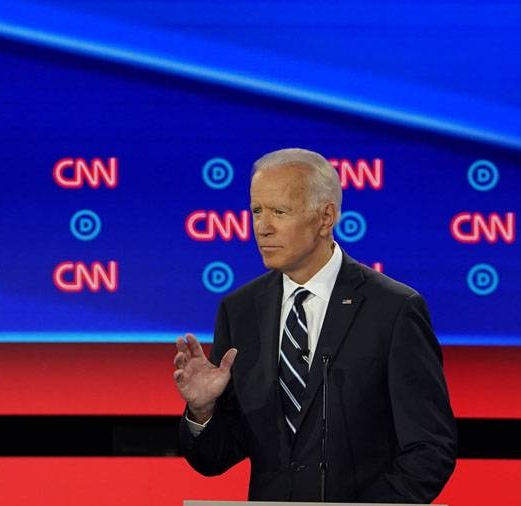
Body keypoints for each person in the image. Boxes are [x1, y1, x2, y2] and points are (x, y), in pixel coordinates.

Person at [173, 148, 456, 502]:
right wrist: (203, 410)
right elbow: (216, 458)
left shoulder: (394, 309)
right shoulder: (240, 310)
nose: (262, 227)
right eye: (257, 211)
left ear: (325, 218)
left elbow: (430, 448)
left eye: (280, 211)